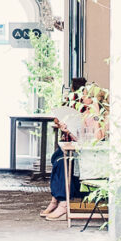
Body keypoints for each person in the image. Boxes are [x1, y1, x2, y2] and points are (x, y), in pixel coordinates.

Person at [42, 78, 98, 220]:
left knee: (61, 161)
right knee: (57, 157)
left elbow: (93, 139)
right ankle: (56, 199)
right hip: (79, 148)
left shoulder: (96, 116)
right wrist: (67, 130)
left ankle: (63, 203)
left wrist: (96, 113)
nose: (82, 97)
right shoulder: (83, 111)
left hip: (90, 154)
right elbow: (80, 137)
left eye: (85, 95)